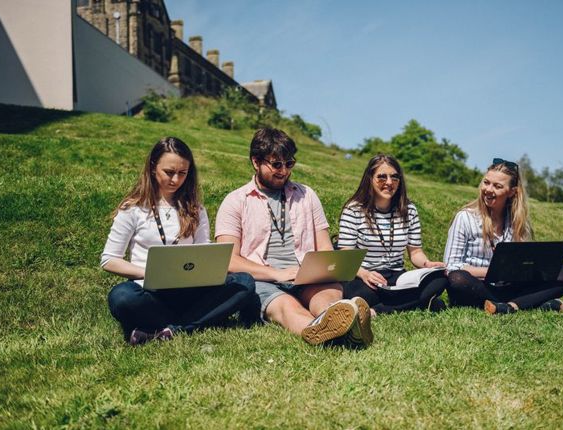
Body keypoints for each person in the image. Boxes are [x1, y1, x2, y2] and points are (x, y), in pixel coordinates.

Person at [215, 128, 373, 348]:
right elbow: (229, 260)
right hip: (263, 280)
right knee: (288, 308)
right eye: (276, 164)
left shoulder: (307, 195)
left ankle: (338, 318)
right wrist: (277, 274)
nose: (284, 171)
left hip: (305, 276)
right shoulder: (235, 201)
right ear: (255, 162)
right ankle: (330, 333)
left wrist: (323, 270)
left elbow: (324, 248)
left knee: (327, 299)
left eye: (289, 164)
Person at [101, 137, 258, 345]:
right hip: (150, 292)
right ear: (152, 167)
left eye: (182, 173)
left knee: (244, 283)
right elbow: (109, 260)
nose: (175, 179)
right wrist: (150, 273)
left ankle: (170, 329)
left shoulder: (195, 209)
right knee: (121, 296)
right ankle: (193, 322)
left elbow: (204, 251)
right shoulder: (133, 209)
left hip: (190, 290)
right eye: (169, 172)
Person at [444, 158, 563, 314]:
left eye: (497, 186)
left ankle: (510, 306)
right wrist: (494, 272)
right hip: (479, 286)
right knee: (457, 279)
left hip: (512, 286)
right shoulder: (465, 218)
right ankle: (530, 302)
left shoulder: (518, 222)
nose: (488, 189)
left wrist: (528, 269)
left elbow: (525, 264)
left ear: (512, 192)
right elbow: (451, 266)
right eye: (486, 182)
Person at [338, 154, 448, 315]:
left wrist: (427, 264)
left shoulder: (409, 210)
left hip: (397, 276)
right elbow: (345, 252)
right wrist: (364, 273)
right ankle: (417, 302)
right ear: (370, 179)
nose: (389, 182)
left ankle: (377, 311)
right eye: (382, 177)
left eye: (395, 177)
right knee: (359, 295)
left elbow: (415, 252)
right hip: (365, 275)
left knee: (439, 280)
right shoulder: (353, 209)